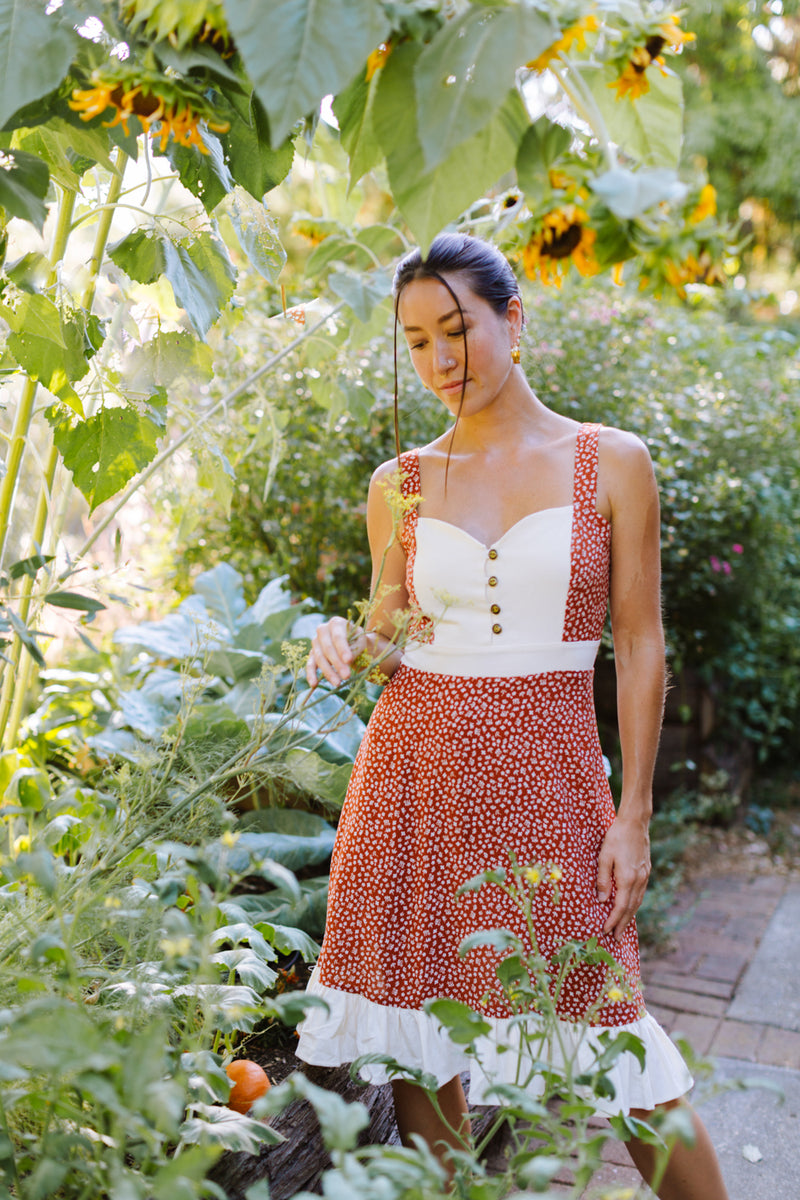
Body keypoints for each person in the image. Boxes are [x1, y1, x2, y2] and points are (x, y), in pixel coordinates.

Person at [296, 232, 729, 1200]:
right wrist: (343, 640)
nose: (439, 361)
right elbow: (389, 629)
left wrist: (634, 817)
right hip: (414, 783)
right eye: (414, 342)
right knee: (424, 1046)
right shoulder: (397, 484)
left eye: (455, 330)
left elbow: (640, 643)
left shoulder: (610, 464)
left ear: (512, 321)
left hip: (551, 781)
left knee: (616, 1043)